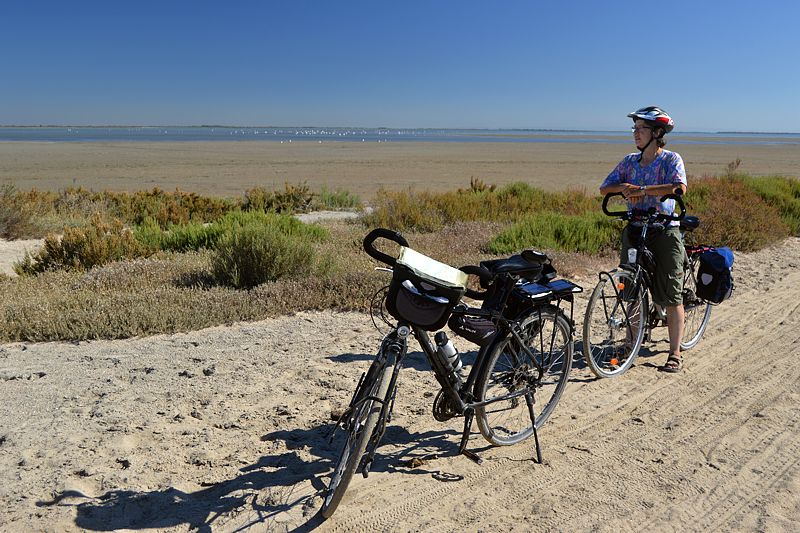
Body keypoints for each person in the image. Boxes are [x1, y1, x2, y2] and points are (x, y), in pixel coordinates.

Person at [599, 106, 688, 373]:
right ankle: (631, 343)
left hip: (664, 230)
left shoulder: (671, 159)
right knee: (631, 288)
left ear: (657, 133)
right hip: (637, 229)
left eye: (641, 129)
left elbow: (678, 187)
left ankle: (674, 353)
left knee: (672, 293)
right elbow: (605, 187)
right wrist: (624, 189)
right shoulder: (629, 162)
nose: (636, 134)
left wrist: (644, 190)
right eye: (635, 129)